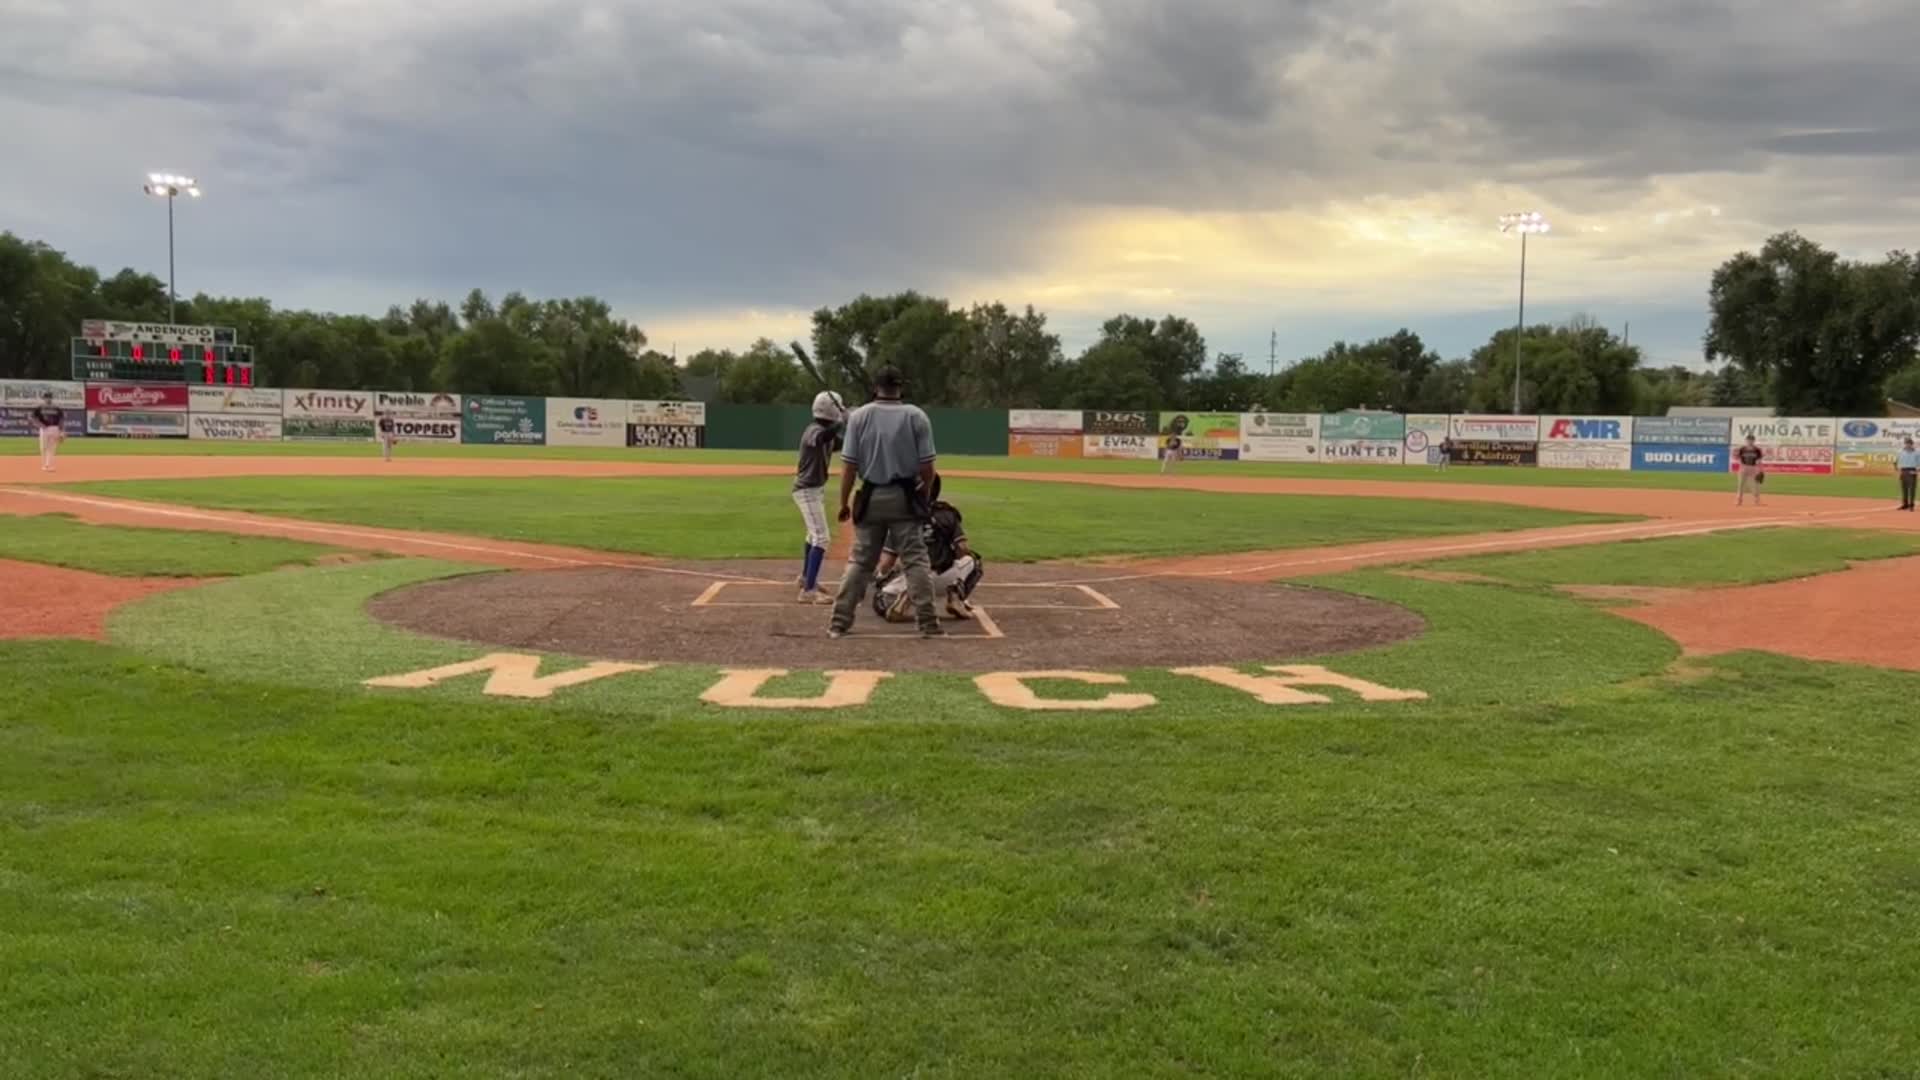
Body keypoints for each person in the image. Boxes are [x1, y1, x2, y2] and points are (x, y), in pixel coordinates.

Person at [827, 366, 942, 639]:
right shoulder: (916, 416)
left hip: (871, 496)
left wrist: (843, 503)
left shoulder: (859, 417)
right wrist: (923, 496)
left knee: (860, 562)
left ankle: (839, 623)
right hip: (905, 498)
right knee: (915, 562)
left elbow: (849, 469)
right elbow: (928, 468)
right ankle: (928, 623)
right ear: (900, 387)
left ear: (875, 387)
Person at [872, 474, 983, 622]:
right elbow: (962, 548)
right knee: (974, 562)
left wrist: (881, 580)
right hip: (942, 579)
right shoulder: (947, 513)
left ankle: (906, 595)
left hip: (911, 578)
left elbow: (886, 563)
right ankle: (956, 597)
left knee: (880, 601)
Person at [792, 390, 846, 603]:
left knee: (812, 536)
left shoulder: (826, 432)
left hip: (813, 490)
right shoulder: (813, 431)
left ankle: (806, 578)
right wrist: (842, 420)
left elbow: (842, 441)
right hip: (806, 490)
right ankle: (808, 591)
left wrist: (852, 420)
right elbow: (825, 437)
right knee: (822, 538)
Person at [30, 393, 64, 473]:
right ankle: (44, 465)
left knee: (52, 448)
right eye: (47, 398)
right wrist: (39, 425)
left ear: (52, 398)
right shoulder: (39, 407)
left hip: (55, 428)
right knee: (43, 447)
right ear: (44, 398)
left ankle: (50, 465)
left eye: (50, 397)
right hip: (44, 428)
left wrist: (61, 431)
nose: (48, 399)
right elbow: (33, 417)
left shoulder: (57, 408)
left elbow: (61, 420)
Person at [1734, 435, 1765, 506]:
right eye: (1748, 440)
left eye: (1751, 440)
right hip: (1743, 467)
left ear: (1754, 441)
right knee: (1741, 485)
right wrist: (1736, 454)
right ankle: (1739, 500)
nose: (1750, 441)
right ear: (1746, 441)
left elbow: (1759, 460)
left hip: (1753, 468)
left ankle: (1757, 500)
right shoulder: (1742, 449)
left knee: (1755, 485)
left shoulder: (1757, 450)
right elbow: (1737, 458)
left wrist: (1760, 470)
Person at [1898, 436, 1919, 512]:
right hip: (1903, 471)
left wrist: (1916, 471)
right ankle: (1905, 504)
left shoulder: (1917, 452)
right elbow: (1899, 462)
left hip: (1912, 470)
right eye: (1906, 443)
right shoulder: (1901, 452)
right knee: (1904, 489)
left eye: (1909, 443)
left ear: (1912, 444)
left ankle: (1911, 505)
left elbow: (1919, 463)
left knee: (1912, 489)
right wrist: (1899, 471)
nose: (1907, 445)